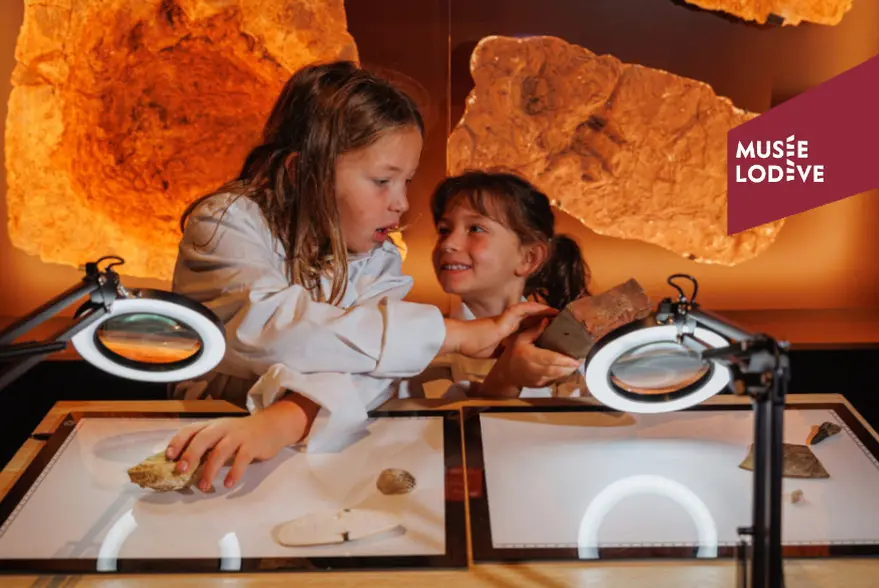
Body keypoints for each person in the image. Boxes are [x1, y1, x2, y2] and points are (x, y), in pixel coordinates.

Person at [163, 62, 553, 491]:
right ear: (301, 173)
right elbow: (270, 327)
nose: (402, 203)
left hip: (316, 456)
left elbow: (376, 368)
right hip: (206, 437)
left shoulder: (378, 258)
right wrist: (453, 335)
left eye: (406, 181)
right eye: (383, 180)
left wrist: (284, 420)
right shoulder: (226, 222)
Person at [415, 169, 592, 399]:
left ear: (529, 258)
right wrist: (508, 375)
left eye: (475, 229)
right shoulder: (420, 346)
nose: (448, 243)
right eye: (444, 230)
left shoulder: (576, 350)